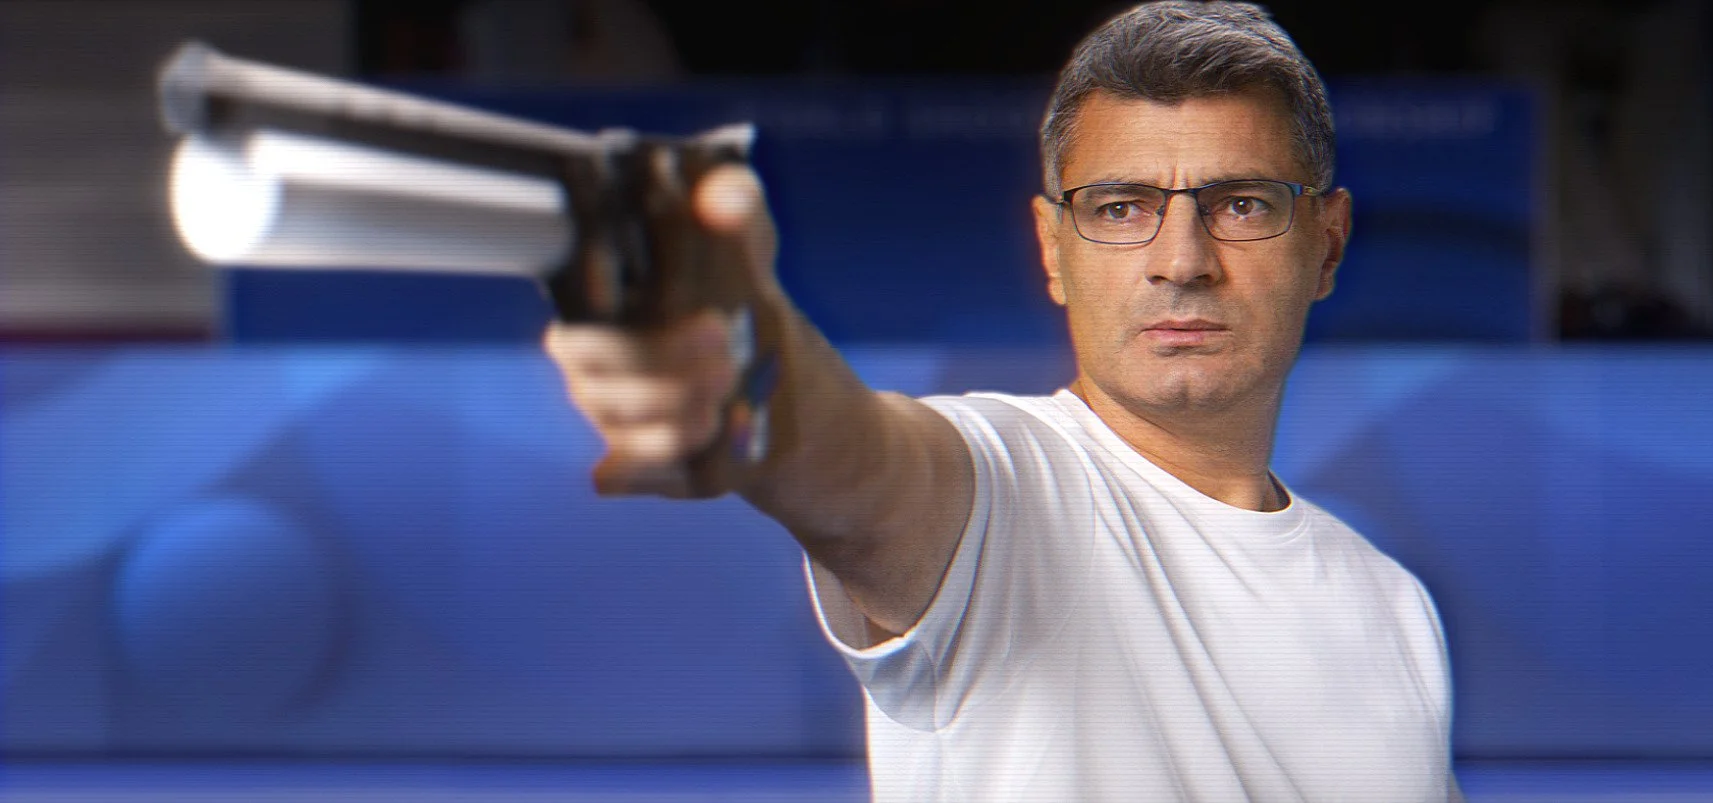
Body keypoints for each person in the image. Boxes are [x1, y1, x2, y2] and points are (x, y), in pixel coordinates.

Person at [544, 2, 1464, 800]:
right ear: (1053, 249)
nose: (1182, 259)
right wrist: (748, 371)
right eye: (1118, 207)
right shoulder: (1010, 488)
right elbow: (859, 462)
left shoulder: (1393, 603)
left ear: (1329, 245)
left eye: (1242, 204)